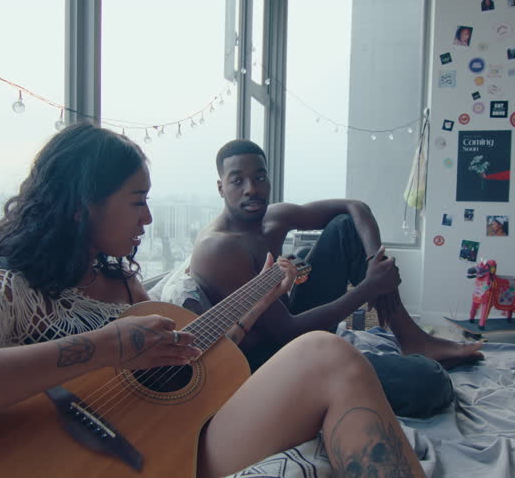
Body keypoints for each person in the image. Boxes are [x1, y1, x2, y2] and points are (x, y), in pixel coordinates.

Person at [0, 124, 426, 478]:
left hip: (159, 449)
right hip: (71, 460)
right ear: (82, 206)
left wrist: (258, 297)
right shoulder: (4, 290)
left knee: (328, 357)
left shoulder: (123, 282)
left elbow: (183, 359)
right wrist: (99, 347)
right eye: (137, 201)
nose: (149, 217)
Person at [189, 139, 484, 419]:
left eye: (260, 177)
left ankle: (411, 337)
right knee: (430, 383)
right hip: (266, 363)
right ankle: (415, 351)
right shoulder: (220, 248)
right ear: (220, 187)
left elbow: (355, 208)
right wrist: (370, 286)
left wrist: (373, 264)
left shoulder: (274, 219)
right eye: (237, 180)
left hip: (292, 325)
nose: (251, 189)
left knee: (344, 227)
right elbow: (286, 332)